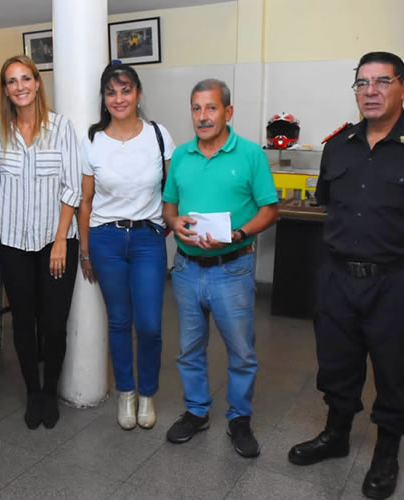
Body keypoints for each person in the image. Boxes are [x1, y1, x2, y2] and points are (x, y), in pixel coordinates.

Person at [287, 51, 404, 500]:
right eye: (362, 82)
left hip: (397, 281)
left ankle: (387, 452)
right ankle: (336, 434)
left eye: (382, 81)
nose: (371, 90)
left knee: (393, 368)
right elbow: (328, 204)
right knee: (337, 363)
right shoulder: (338, 145)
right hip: (337, 279)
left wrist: (400, 251)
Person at [162, 79, 278, 457]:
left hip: (232, 268)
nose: (202, 116)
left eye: (211, 108)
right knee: (189, 348)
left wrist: (239, 233)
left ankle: (239, 419)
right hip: (186, 269)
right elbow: (169, 205)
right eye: (196, 108)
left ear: (228, 112)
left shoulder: (249, 155)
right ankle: (196, 412)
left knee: (241, 351)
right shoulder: (181, 155)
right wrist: (174, 222)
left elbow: (269, 210)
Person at [78, 63, 174, 431]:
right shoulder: (93, 140)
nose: (119, 99)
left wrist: (171, 222)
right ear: (104, 98)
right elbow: (85, 202)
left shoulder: (158, 135)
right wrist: (86, 251)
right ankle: (127, 393)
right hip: (106, 239)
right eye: (111, 92)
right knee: (119, 322)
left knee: (149, 324)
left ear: (137, 93)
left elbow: (173, 188)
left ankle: (148, 393)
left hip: (148, 238)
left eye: (125, 90)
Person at [0, 55, 83, 430]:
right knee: (23, 322)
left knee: (55, 323)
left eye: (25, 78)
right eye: (12, 81)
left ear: (38, 82)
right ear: (6, 90)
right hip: (13, 243)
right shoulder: (1, 132)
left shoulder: (61, 128)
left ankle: (49, 390)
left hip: (55, 242)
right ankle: (32, 391)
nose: (20, 87)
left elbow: (73, 186)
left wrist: (61, 239)